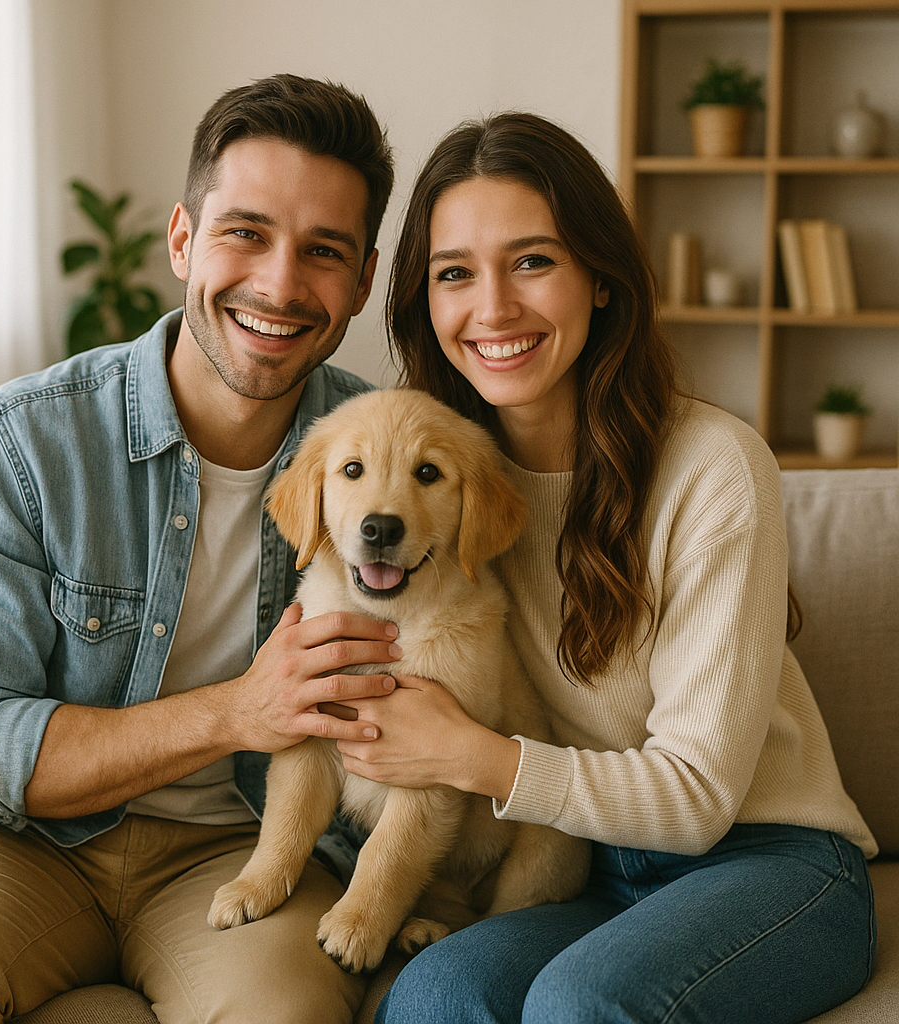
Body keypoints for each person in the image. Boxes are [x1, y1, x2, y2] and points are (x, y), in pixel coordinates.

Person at [0, 74, 398, 1024]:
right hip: (17, 844)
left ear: (362, 281)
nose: (281, 285)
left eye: (323, 251)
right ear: (182, 239)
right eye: (245, 232)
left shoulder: (392, 462)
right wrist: (235, 711)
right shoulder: (17, 445)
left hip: (246, 847)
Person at [334, 112, 878, 1024]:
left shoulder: (713, 466)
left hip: (767, 858)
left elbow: (699, 798)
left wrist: (471, 755)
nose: (493, 308)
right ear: (424, 301)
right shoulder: (440, 483)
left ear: (599, 278)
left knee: (582, 1004)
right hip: (584, 857)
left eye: (532, 261)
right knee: (435, 998)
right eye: (454, 273)